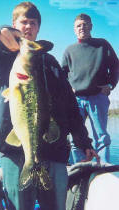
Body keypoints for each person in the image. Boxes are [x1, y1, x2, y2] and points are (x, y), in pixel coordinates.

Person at [0, 4, 99, 210]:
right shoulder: (8, 57)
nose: (28, 26)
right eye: (23, 22)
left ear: (38, 28)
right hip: (15, 150)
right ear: (15, 25)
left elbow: (70, 106)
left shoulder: (51, 62)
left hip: (54, 150)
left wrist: (83, 141)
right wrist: (0, 36)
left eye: (33, 23)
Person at [62, 13, 119, 164]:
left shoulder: (102, 45)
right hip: (76, 101)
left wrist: (111, 85)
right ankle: (80, 171)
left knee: (102, 137)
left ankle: (103, 169)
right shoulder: (69, 50)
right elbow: (62, 75)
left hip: (97, 97)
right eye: (79, 25)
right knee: (76, 137)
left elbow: (115, 66)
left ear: (91, 26)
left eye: (85, 24)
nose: (82, 28)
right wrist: (69, 90)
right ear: (74, 30)